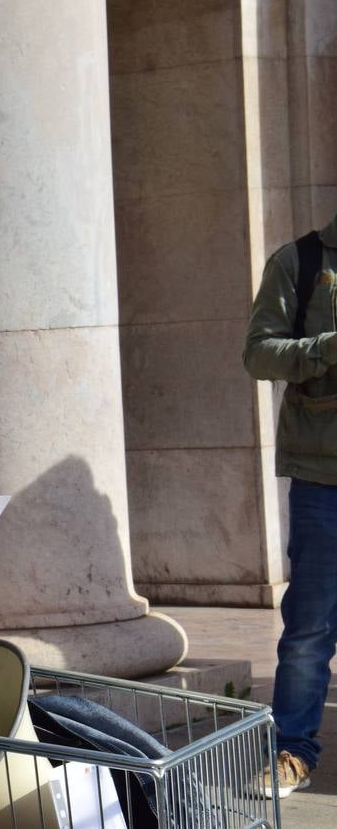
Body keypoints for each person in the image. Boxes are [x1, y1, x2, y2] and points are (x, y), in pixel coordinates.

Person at [244, 211, 337, 799]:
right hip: (322, 479)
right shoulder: (299, 262)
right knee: (309, 628)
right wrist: (327, 347)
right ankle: (293, 752)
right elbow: (259, 354)